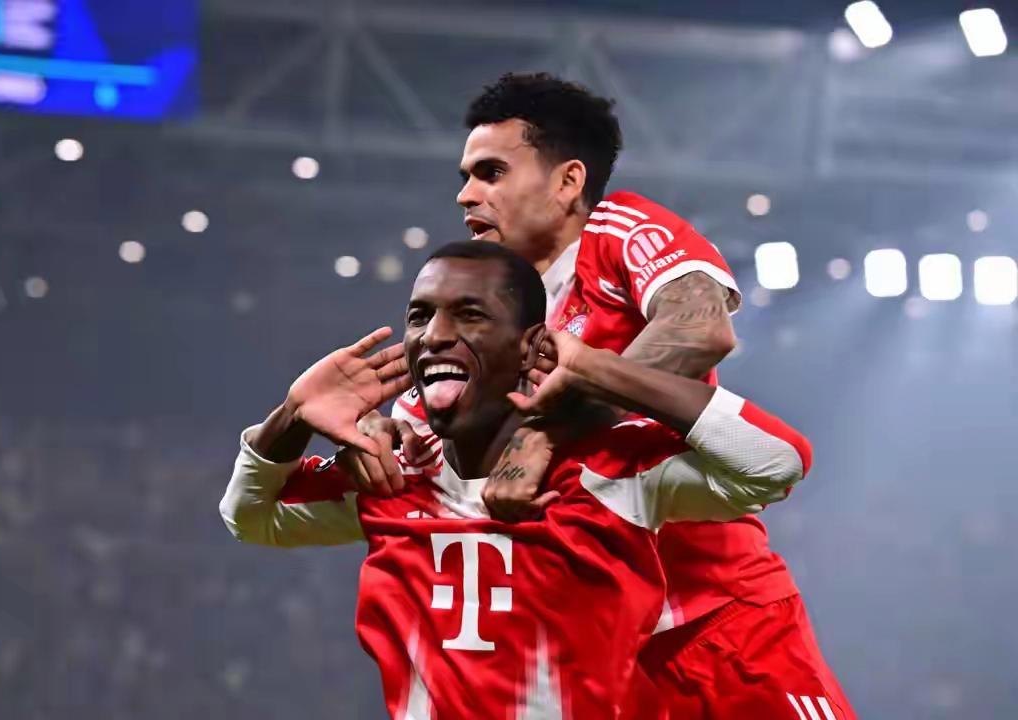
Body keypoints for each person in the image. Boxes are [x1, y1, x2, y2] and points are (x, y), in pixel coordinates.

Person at [343, 73, 853, 718]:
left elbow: (701, 327)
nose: (466, 194)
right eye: (467, 176)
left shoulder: (614, 233)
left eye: (492, 172)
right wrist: (377, 432)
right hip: (597, 650)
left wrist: (549, 431)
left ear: (568, 182)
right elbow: (428, 450)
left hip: (719, 620)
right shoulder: (485, 317)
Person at [220, 241, 812, 719]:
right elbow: (250, 518)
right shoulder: (394, 475)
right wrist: (293, 415)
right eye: (420, 316)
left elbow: (775, 461)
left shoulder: (603, 470)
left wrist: (597, 369)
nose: (435, 334)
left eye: (470, 314)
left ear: (531, 346)